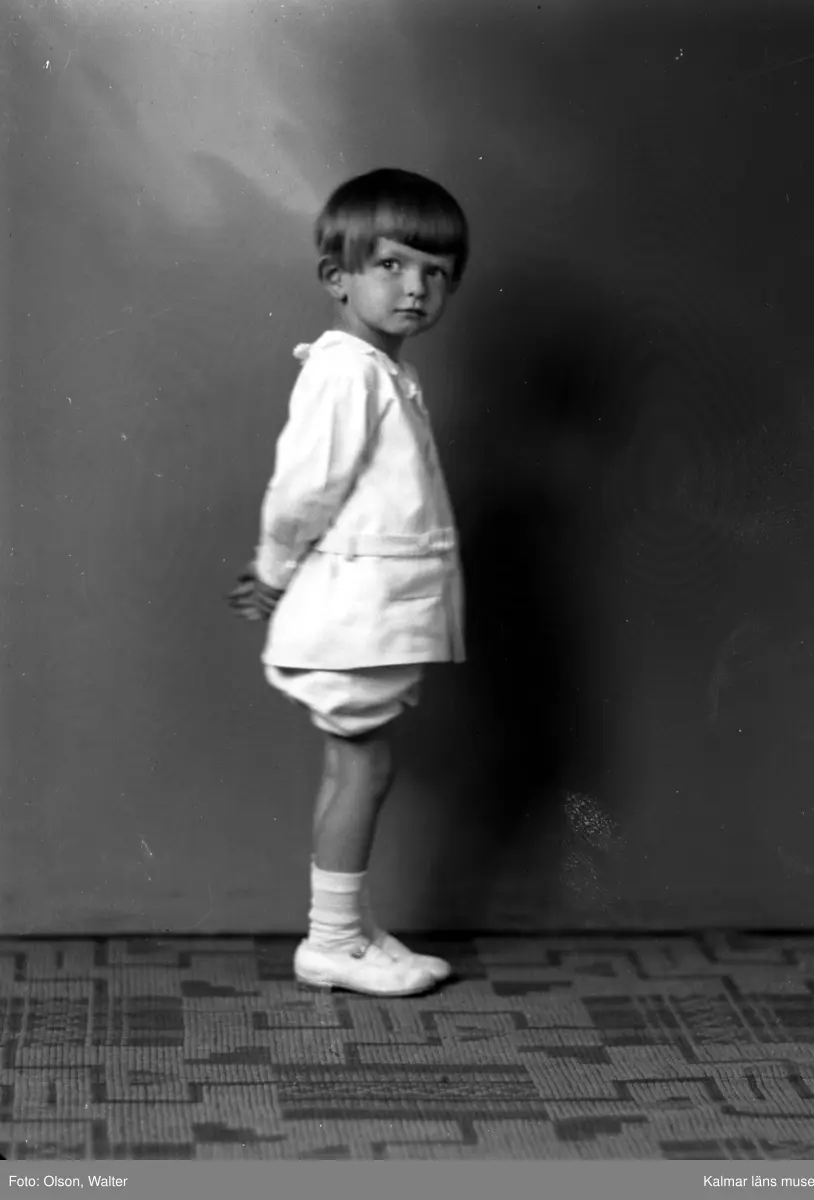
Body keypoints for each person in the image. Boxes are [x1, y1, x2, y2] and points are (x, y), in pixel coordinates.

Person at [228, 168, 469, 996]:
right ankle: (331, 941)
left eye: (435, 272)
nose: (415, 288)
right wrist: (271, 572)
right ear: (337, 277)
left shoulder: (380, 371)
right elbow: (303, 490)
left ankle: (348, 929)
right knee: (362, 769)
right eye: (391, 265)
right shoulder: (347, 373)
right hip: (353, 615)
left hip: (368, 613)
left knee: (358, 767)